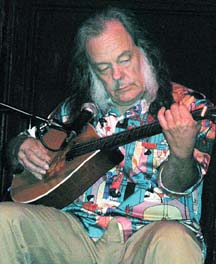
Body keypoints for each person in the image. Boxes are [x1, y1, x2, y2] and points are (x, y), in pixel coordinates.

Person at [1, 7, 215, 264]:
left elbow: (183, 183)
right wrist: (21, 147)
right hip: (76, 233)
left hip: (148, 235)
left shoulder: (189, 106)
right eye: (104, 67)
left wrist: (181, 155)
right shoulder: (76, 110)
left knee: (174, 240)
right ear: (91, 70)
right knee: (4, 220)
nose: (117, 76)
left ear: (143, 52)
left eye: (124, 60)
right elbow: (25, 145)